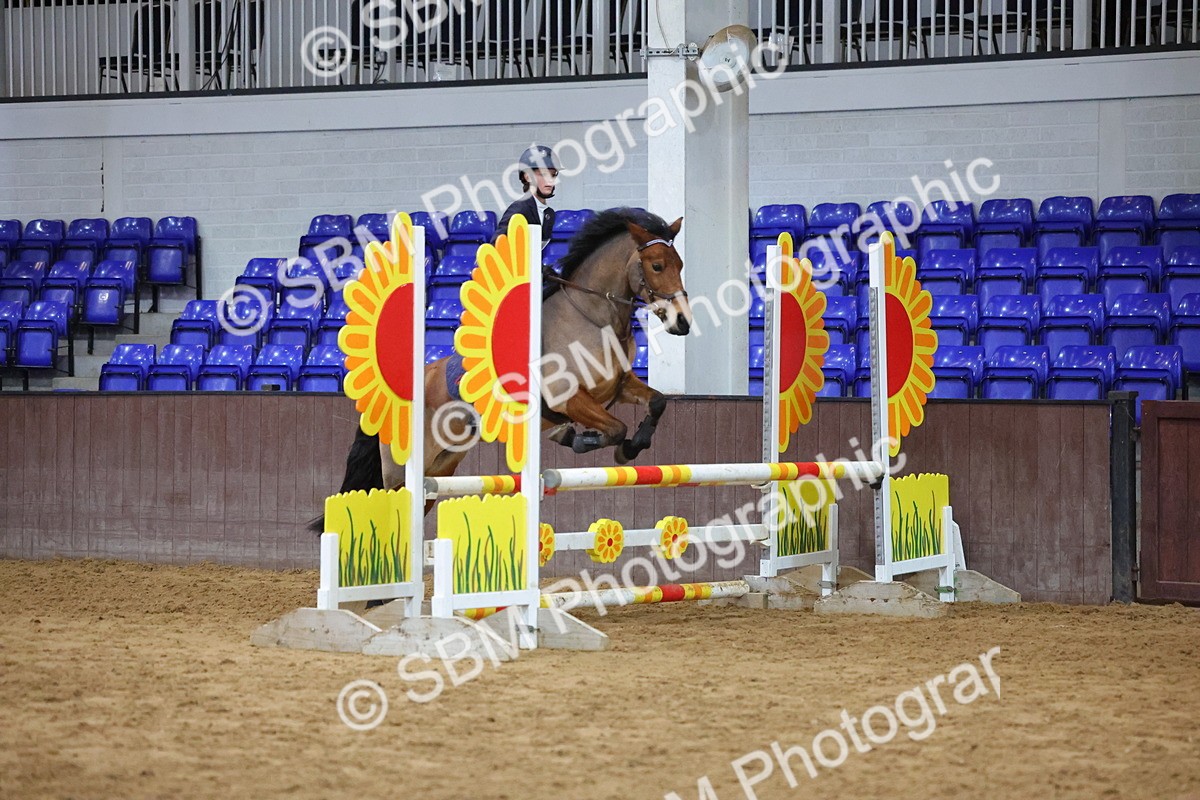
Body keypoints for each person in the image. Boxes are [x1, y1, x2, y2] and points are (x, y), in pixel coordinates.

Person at [495, 145, 559, 245]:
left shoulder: (549, 214)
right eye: (543, 174)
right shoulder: (519, 209)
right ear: (528, 177)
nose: (550, 180)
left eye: (553, 175)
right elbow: (497, 245)